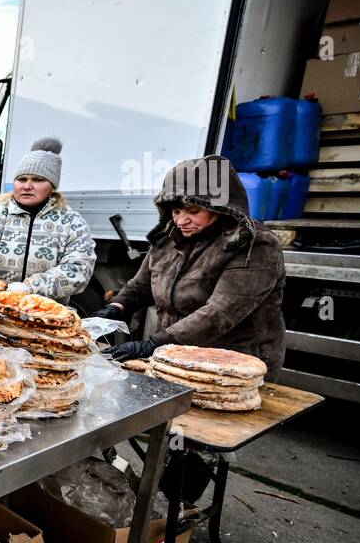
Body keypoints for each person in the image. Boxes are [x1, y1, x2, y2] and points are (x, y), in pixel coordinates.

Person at [96, 155, 286, 377]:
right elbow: (141, 285)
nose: (180, 221)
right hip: (175, 356)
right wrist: (118, 307)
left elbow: (220, 313)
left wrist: (152, 344)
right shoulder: (169, 238)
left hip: (234, 364)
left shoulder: (254, 245)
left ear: (220, 208)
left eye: (193, 211)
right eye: (176, 211)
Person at [0, 137, 96, 303]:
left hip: (45, 315)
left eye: (37, 180)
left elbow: (78, 270)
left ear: (52, 186)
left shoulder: (72, 223)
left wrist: (29, 288)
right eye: (22, 179)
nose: (27, 186)